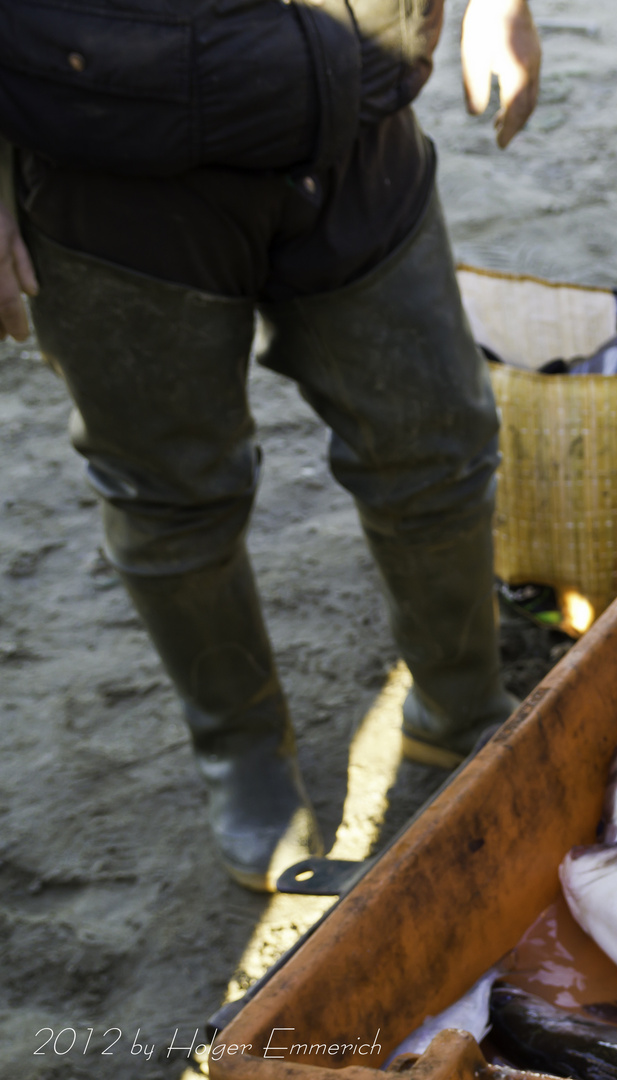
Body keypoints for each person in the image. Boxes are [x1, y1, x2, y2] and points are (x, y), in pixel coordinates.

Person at [0, 0, 542, 892]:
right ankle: (242, 755)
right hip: (105, 148)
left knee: (438, 438)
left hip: (357, 103)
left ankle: (462, 704)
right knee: (172, 494)